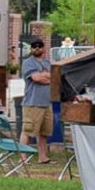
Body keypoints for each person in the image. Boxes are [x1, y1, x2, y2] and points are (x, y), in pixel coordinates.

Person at [20, 22, 57, 167]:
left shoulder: (48, 63)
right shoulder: (28, 63)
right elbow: (36, 78)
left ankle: (43, 157)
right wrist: (48, 78)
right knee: (28, 131)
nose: (37, 48)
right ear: (31, 49)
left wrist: (46, 77)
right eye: (34, 46)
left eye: (39, 46)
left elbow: (55, 79)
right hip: (32, 103)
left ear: (43, 48)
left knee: (44, 132)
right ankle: (23, 158)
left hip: (47, 103)